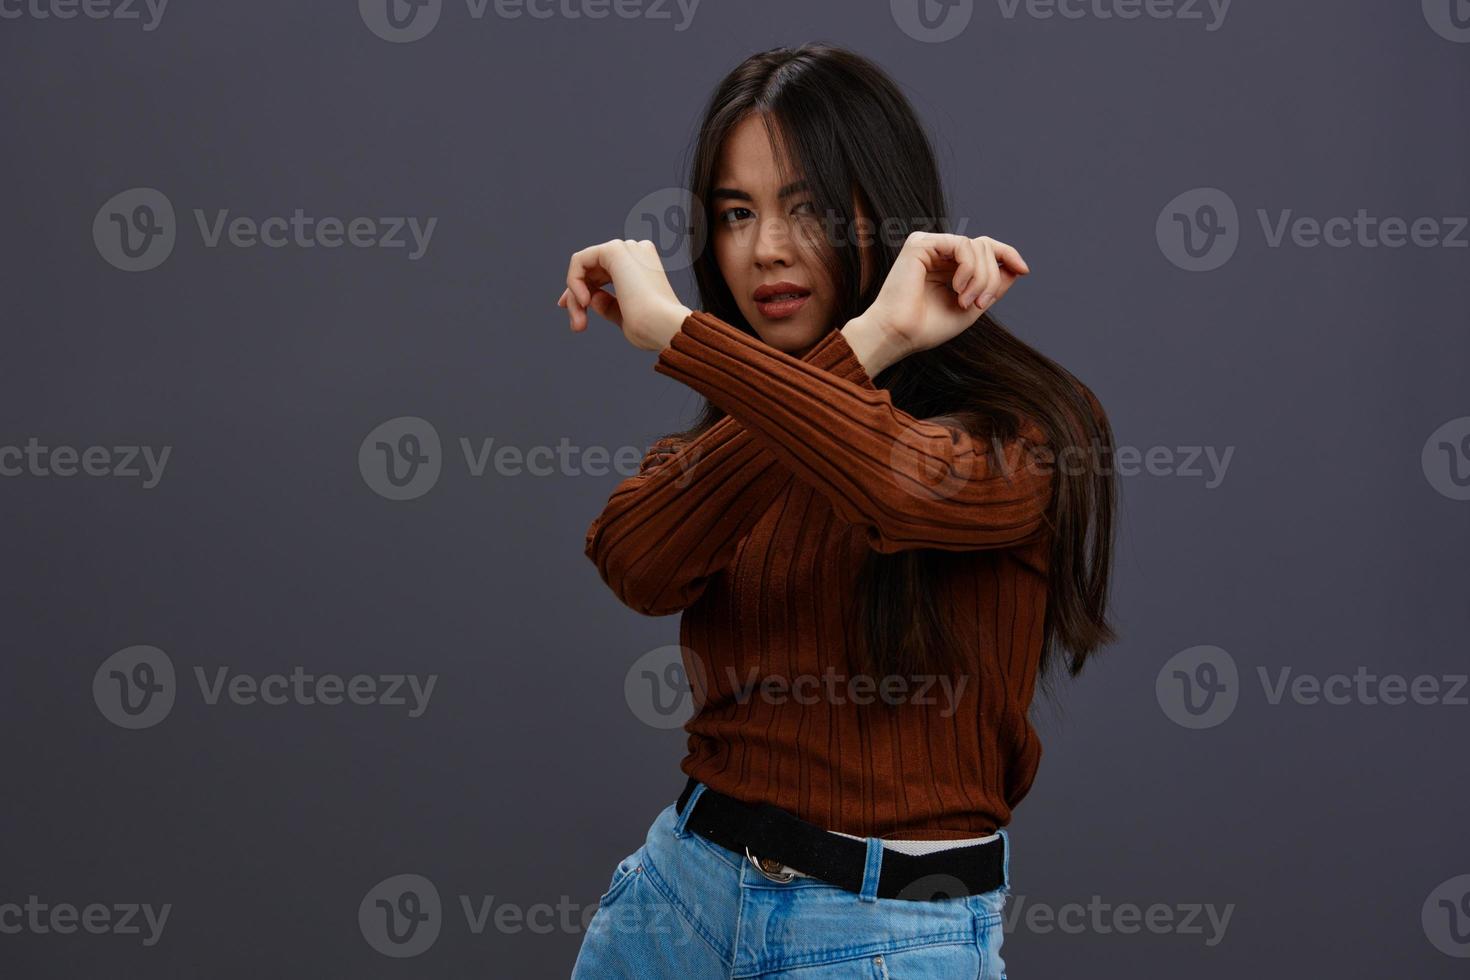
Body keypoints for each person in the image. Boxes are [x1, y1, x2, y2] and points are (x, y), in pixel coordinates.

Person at [560, 42, 1117, 980]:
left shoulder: (1026, 432)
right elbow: (634, 561)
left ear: (885, 206)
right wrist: (869, 338)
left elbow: (896, 485)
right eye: (736, 213)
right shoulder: (739, 437)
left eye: (807, 206)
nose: (767, 249)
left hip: (886, 937)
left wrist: (683, 337)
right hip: (675, 907)